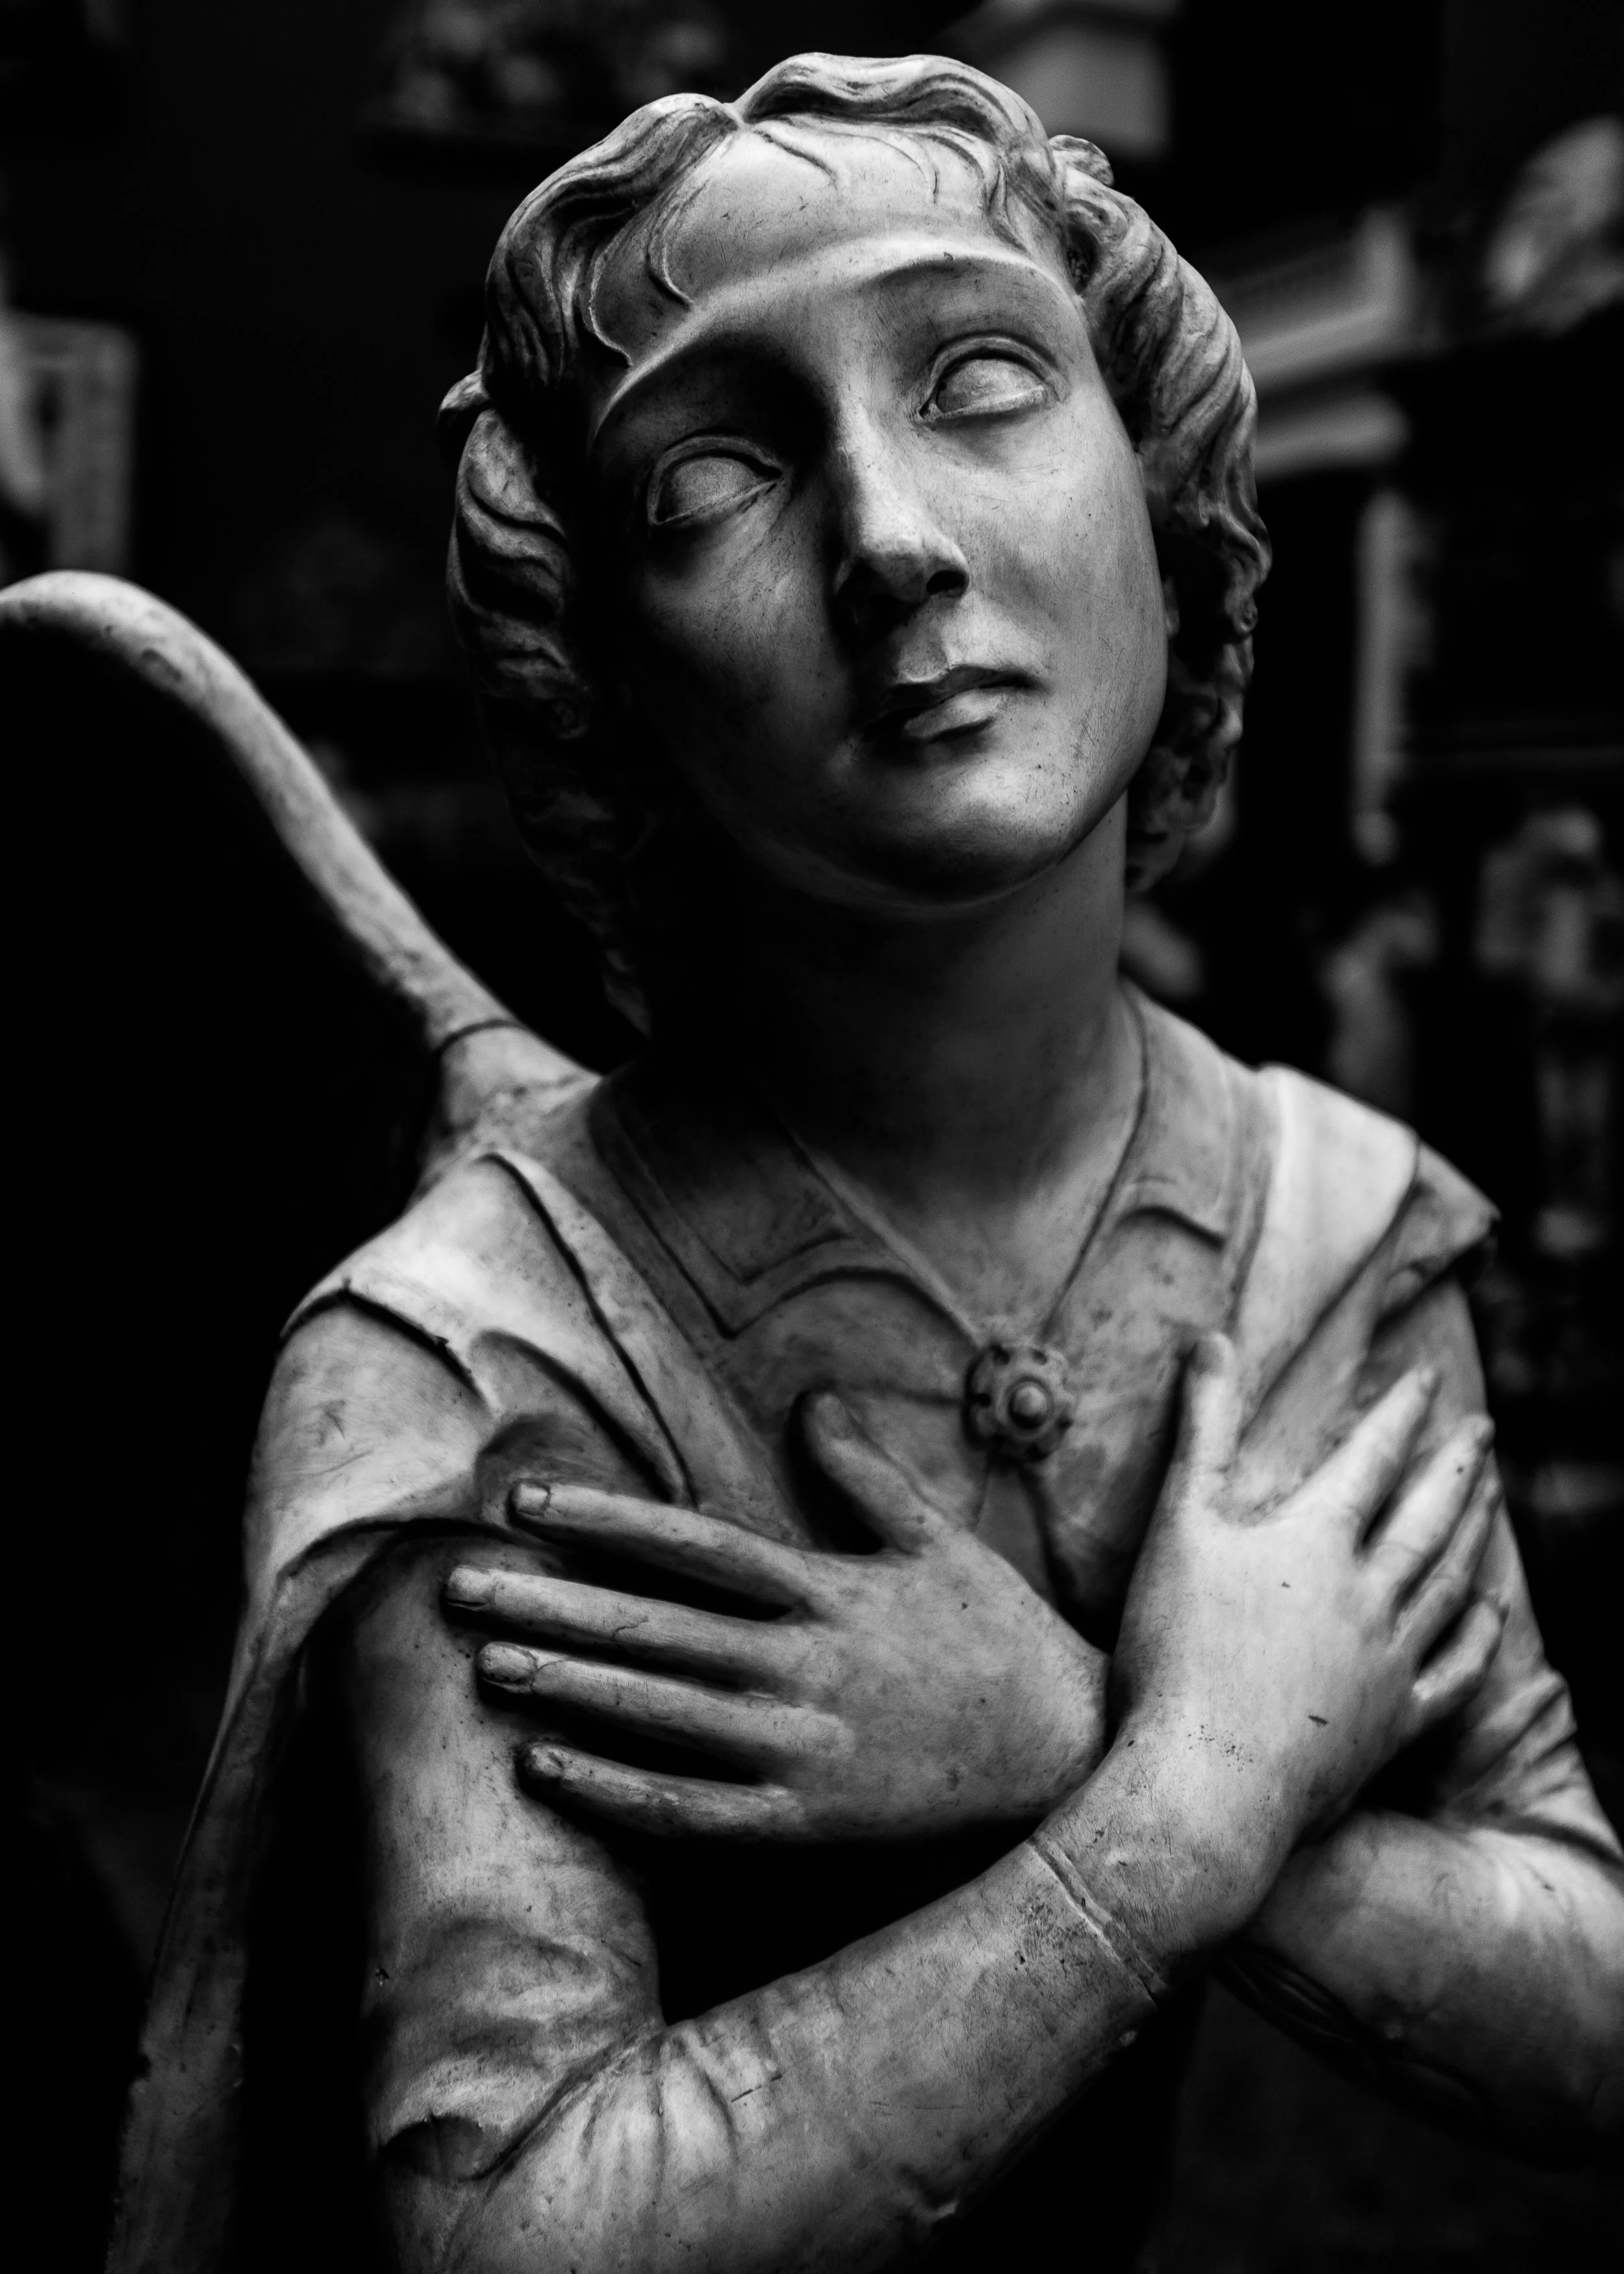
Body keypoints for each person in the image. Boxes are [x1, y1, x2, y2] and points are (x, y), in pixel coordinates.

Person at [105, 53, 1622, 2274]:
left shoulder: (1330, 1226)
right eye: (712, 471)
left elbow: (1593, 1999)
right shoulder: (479, 1355)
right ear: (600, 671)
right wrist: (1171, 1816)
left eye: (981, 375)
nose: (893, 540)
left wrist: (1072, 1740)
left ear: (1164, 495)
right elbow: (509, 2223)